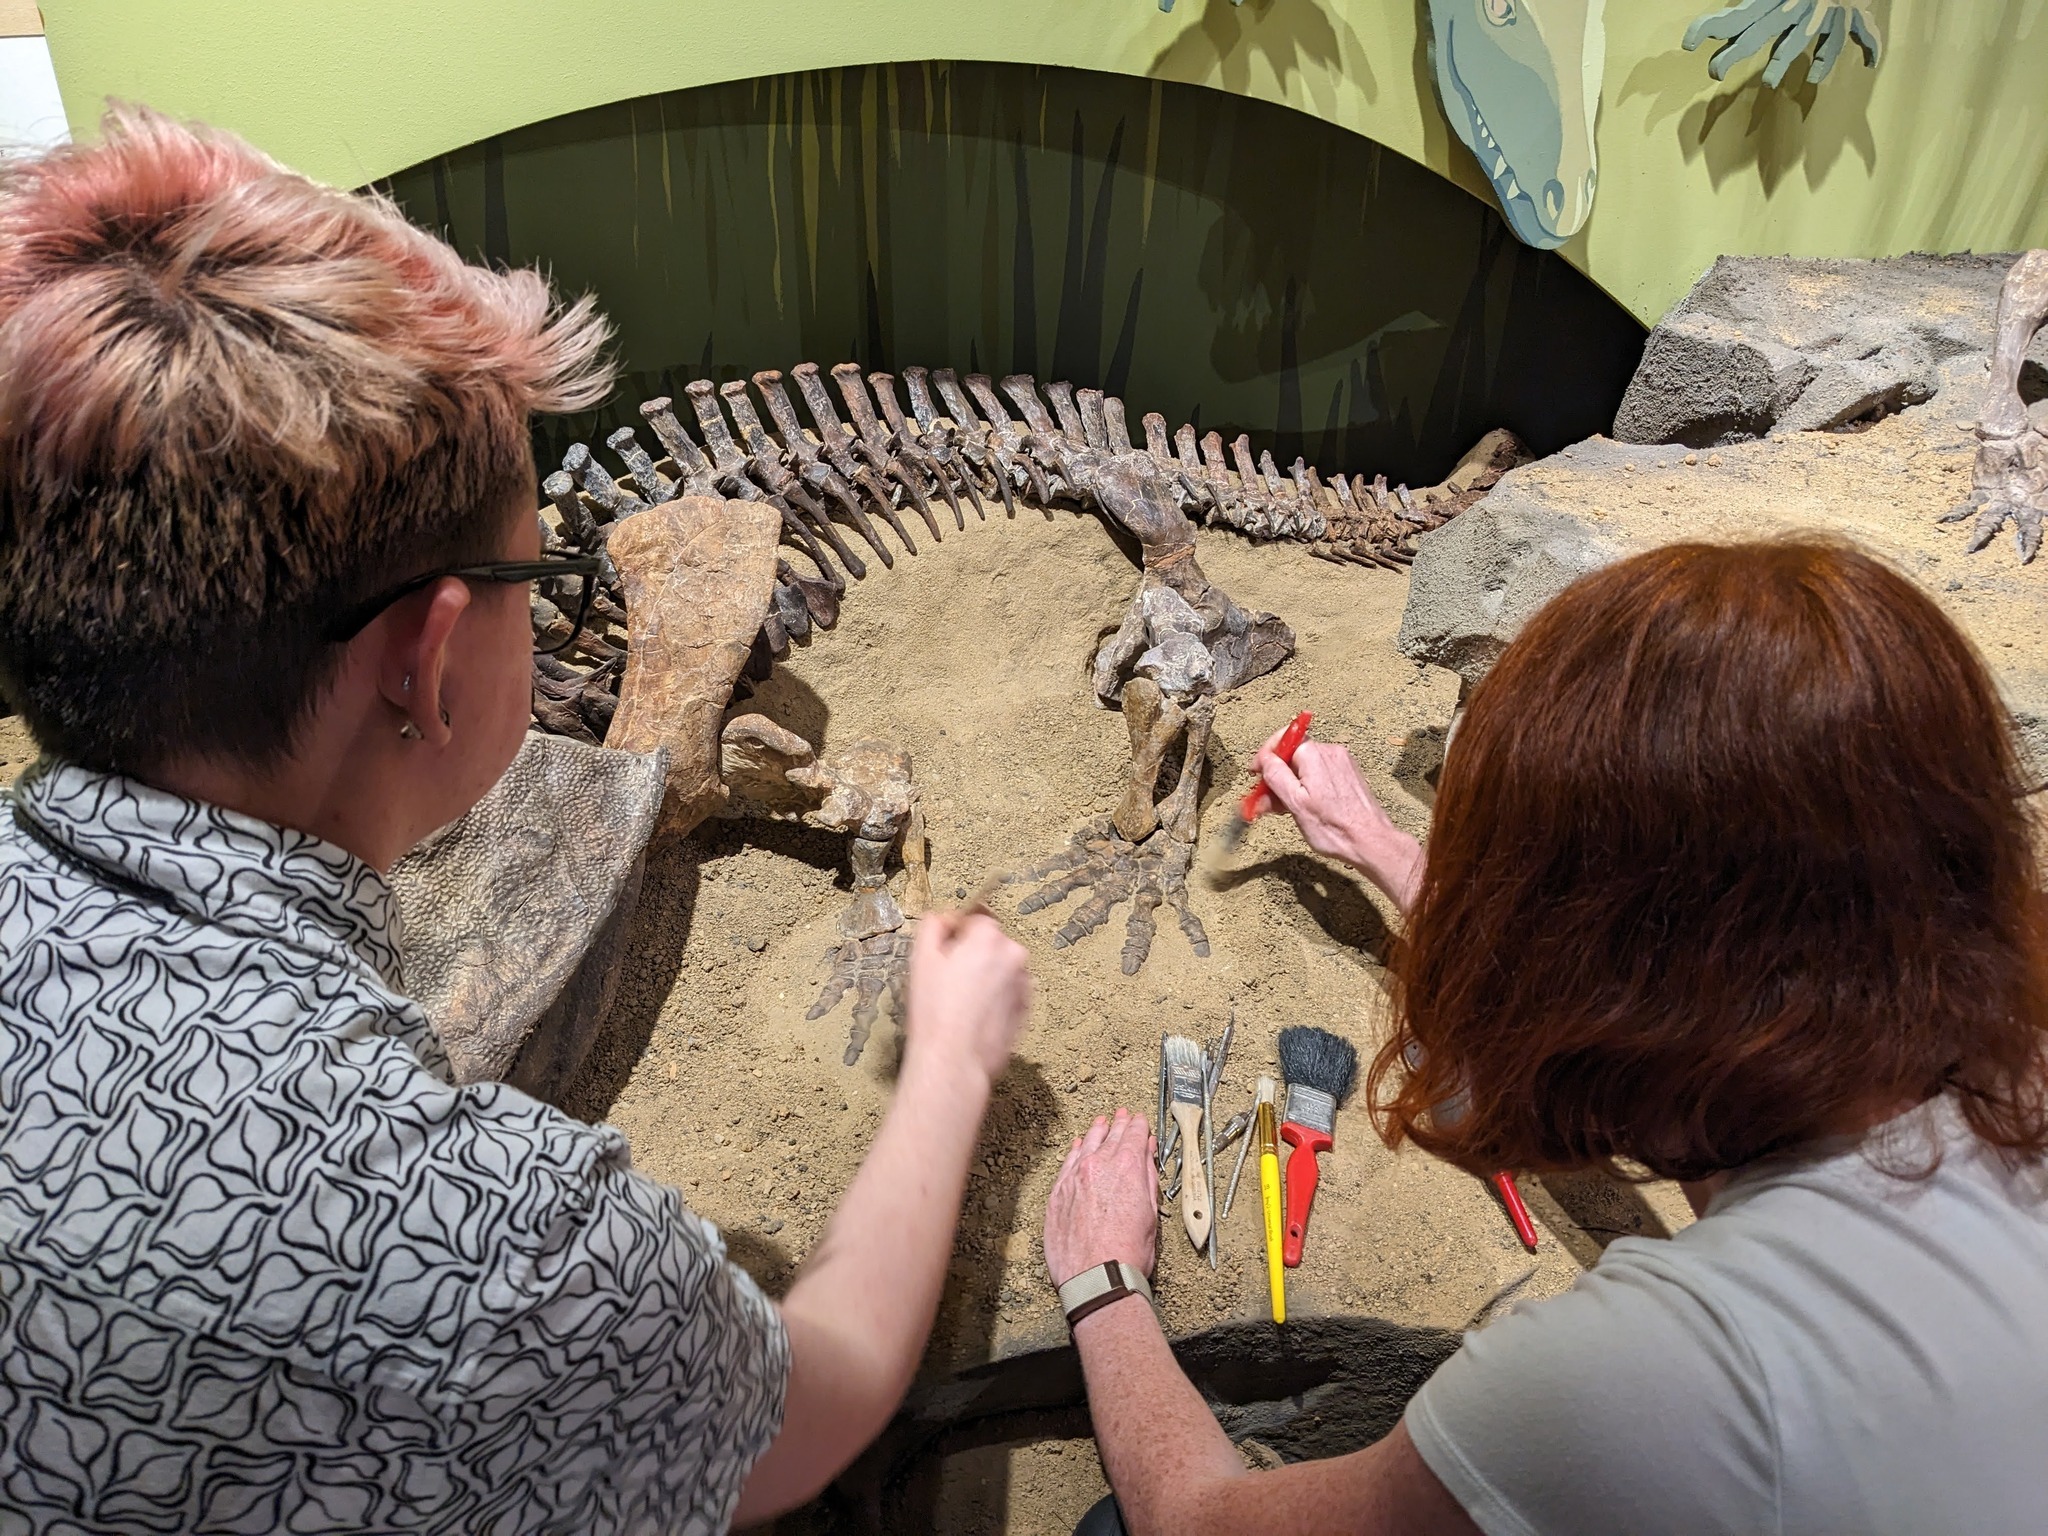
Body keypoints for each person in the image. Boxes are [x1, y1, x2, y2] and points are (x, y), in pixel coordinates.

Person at [0, 107, 1032, 1534]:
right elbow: (807, 1406)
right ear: (427, 663)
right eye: (530, 581)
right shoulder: (477, 1242)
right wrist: (954, 1067)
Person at [1045, 541, 2048, 1536]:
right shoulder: (2005, 1067)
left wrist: (1102, 1283)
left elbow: (1196, 1518)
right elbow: (1739, 925)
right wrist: (1391, 853)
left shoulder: (1638, 1387)